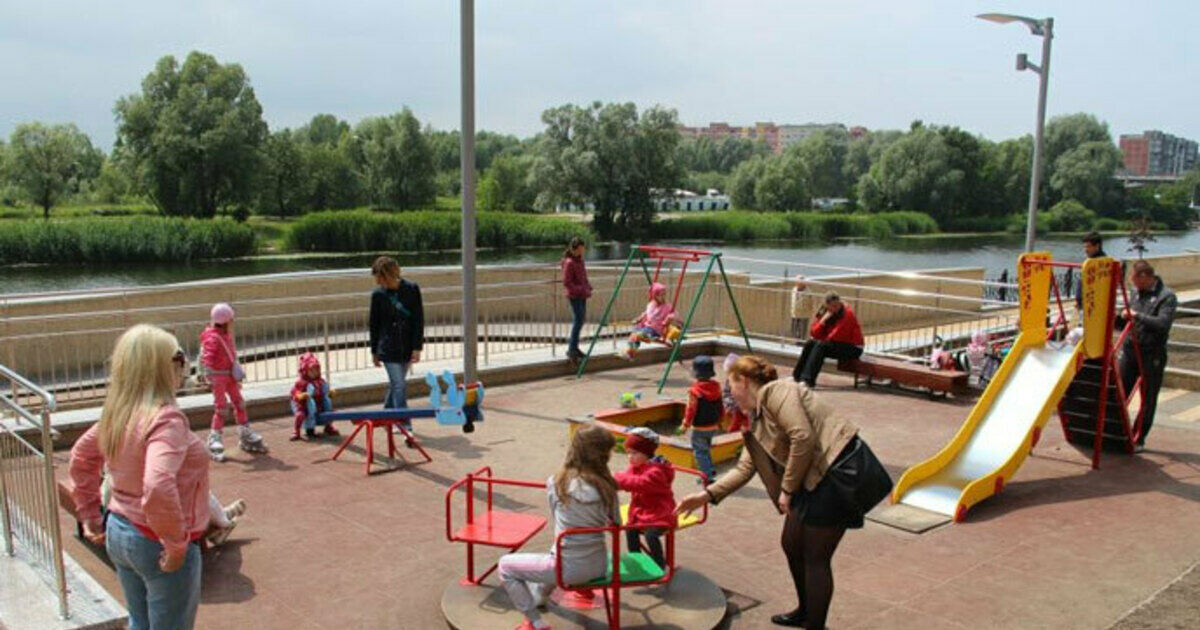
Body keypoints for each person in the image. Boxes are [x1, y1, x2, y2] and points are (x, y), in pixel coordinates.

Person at [677, 356, 885, 630]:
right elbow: (745, 467)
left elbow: (802, 437)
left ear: (744, 381)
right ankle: (806, 611)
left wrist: (787, 489)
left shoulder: (778, 391)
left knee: (815, 556)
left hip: (839, 472)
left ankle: (815, 625)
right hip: (812, 477)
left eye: (731, 385)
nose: (729, 393)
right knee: (791, 543)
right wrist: (705, 496)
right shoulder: (756, 419)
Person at [69, 325, 210, 630]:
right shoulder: (166, 418)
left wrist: (90, 514)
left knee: (140, 622)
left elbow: (81, 457)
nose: (183, 366)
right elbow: (158, 484)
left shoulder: (119, 412)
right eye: (178, 358)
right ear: (160, 367)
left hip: (120, 530)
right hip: (156, 539)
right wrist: (175, 544)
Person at [497, 425, 619, 630]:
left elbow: (557, 518)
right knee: (556, 555)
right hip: (598, 564)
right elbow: (616, 523)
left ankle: (535, 622)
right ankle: (541, 596)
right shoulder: (608, 486)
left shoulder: (557, 482)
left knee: (505, 566)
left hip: (567, 567)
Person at [1119, 260, 1177, 448]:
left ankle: (1138, 437)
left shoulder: (1166, 297)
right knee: (1120, 391)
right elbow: (1128, 318)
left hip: (1152, 353)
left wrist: (1137, 315)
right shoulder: (1135, 292)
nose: (1134, 285)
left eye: (1136, 281)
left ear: (1145, 277)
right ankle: (1116, 431)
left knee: (1148, 396)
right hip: (1130, 349)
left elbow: (1162, 324)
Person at [369, 256, 425, 445]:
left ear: (389, 275)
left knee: (396, 384)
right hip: (388, 347)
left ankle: (386, 414)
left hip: (406, 345)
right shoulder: (378, 295)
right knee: (400, 385)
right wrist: (374, 351)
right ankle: (405, 424)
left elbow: (418, 319)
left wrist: (417, 347)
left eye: (381, 278)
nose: (379, 282)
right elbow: (374, 324)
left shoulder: (411, 289)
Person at [201, 303, 266, 460]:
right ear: (226, 321)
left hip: (229, 375)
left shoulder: (225, 335)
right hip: (219, 377)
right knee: (221, 408)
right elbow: (208, 358)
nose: (232, 322)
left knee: (239, 403)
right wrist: (208, 375)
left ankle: (244, 432)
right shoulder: (213, 337)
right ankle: (215, 437)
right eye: (231, 320)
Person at [614, 427, 675, 569]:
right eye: (628, 453)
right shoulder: (636, 466)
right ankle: (637, 560)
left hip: (660, 512)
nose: (630, 457)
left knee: (650, 535)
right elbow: (627, 477)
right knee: (630, 530)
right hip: (641, 511)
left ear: (646, 453)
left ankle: (660, 565)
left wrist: (616, 481)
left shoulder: (656, 472)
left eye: (634, 453)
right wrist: (614, 480)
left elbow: (640, 483)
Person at [792, 292, 864, 388]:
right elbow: (813, 333)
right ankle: (797, 376)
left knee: (820, 346)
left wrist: (820, 341)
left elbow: (836, 336)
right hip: (835, 343)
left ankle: (808, 380)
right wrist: (822, 321)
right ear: (826, 305)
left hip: (853, 347)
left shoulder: (847, 313)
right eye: (831, 307)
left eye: (836, 306)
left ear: (839, 303)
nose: (834, 309)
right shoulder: (823, 311)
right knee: (810, 343)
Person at [678, 355, 723, 484]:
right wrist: (720, 420)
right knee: (706, 448)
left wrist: (685, 424)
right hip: (713, 424)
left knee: (699, 452)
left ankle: (707, 476)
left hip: (700, 426)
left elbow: (691, 409)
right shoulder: (717, 387)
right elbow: (721, 405)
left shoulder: (695, 391)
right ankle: (710, 470)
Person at [618, 282, 681, 360]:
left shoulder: (667, 306)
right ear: (655, 296)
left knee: (637, 335)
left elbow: (674, 314)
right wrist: (639, 318)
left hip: (656, 330)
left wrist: (671, 318)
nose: (663, 297)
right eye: (660, 295)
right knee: (633, 335)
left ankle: (631, 352)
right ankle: (630, 353)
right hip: (646, 326)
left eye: (664, 294)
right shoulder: (651, 305)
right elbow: (646, 313)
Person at [290, 352, 340, 441]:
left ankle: (328, 426)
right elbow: (294, 391)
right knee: (300, 415)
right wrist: (300, 395)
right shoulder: (301, 382)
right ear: (305, 371)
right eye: (311, 370)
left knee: (330, 411)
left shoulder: (320, 381)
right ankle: (297, 431)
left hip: (318, 404)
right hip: (304, 405)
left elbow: (324, 392)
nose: (315, 373)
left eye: (317, 370)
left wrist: (330, 393)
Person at [561, 236, 592, 365]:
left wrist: (588, 286)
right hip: (574, 295)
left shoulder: (580, 261)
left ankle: (574, 347)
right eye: (581, 248)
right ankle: (571, 349)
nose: (583, 250)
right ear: (576, 248)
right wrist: (580, 289)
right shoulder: (569, 262)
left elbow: (583, 277)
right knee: (578, 320)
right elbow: (567, 282)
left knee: (580, 320)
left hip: (582, 294)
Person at [1075, 232, 1108, 311]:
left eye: (1088, 247)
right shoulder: (1091, 261)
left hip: (1091, 305)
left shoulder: (1101, 263)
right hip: (1085, 303)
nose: (1086, 250)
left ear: (1097, 246)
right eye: (1085, 247)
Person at [722, 353, 750, 433]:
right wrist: (730, 404)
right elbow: (726, 394)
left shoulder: (745, 380)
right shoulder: (729, 381)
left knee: (748, 418)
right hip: (735, 406)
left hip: (745, 406)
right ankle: (734, 431)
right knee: (736, 419)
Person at [789, 276, 809, 342]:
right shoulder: (794, 289)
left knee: (802, 331)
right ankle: (795, 341)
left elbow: (810, 303)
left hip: (803, 314)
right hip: (794, 313)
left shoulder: (808, 292)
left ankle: (801, 343)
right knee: (793, 329)